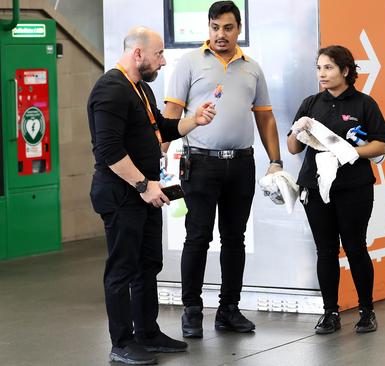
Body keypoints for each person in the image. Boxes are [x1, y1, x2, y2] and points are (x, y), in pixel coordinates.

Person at [88, 27, 216, 365]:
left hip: (145, 194)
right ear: (138, 54)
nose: (163, 60)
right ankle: (122, 341)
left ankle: (147, 332)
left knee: (148, 264)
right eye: (159, 54)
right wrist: (144, 186)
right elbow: (109, 150)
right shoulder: (111, 90)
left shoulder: (140, 88)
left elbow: (161, 127)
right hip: (122, 194)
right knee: (122, 268)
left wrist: (195, 120)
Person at [163, 0, 282, 337]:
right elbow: (171, 118)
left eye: (227, 28)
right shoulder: (188, 63)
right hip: (200, 163)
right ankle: (192, 311)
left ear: (239, 29)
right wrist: (157, 164)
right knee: (197, 236)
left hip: (241, 163)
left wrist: (275, 161)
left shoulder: (252, 68)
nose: (220, 35)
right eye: (215, 27)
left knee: (234, 238)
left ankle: (229, 310)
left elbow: (265, 117)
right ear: (209, 28)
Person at [287, 45, 385, 334]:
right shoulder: (310, 103)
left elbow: (381, 143)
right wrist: (298, 129)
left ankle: (366, 310)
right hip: (315, 187)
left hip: (354, 187)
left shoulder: (364, 104)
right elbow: (293, 148)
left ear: (345, 71)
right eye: (319, 67)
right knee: (325, 250)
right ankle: (330, 312)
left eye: (329, 68)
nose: (322, 73)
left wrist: (352, 153)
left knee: (356, 247)